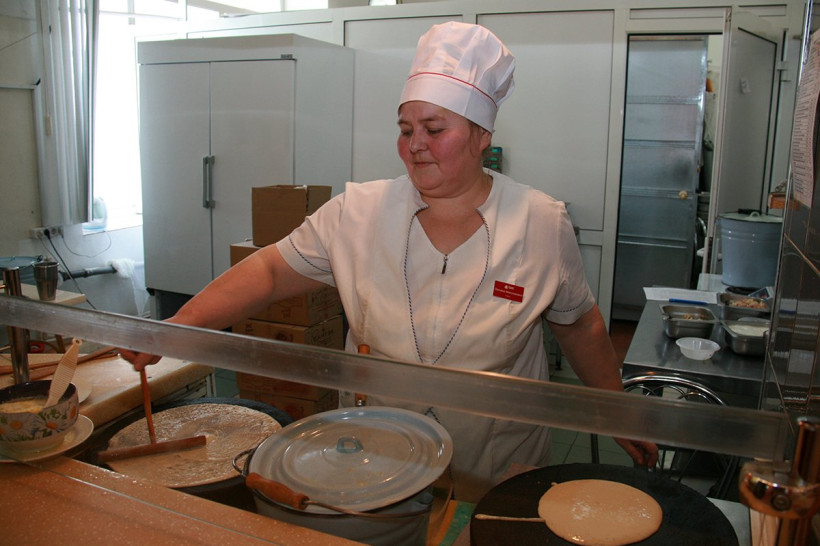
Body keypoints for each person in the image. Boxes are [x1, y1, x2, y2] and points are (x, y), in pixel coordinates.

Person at [122, 21, 658, 502]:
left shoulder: (539, 223)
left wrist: (615, 411)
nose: (415, 145)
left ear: (482, 137)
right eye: (406, 129)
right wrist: (175, 327)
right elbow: (266, 272)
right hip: (375, 458)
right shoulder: (356, 213)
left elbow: (580, 325)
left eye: (435, 129)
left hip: (493, 465)